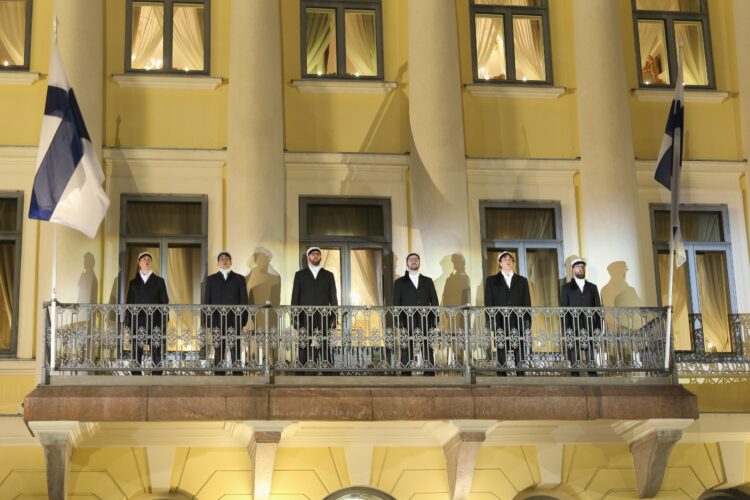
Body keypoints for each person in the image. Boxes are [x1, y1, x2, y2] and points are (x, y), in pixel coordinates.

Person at [291, 247, 338, 372]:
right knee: (303, 344)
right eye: (312, 254)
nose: (315, 256)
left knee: (325, 343)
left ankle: (328, 371)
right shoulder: (300, 275)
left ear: (320, 257)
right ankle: (301, 371)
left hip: (324, 316)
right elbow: (295, 297)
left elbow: (333, 297)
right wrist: (294, 317)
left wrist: (334, 316)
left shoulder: (328, 275)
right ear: (308, 257)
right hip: (304, 316)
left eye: (317, 254)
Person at [484, 251, 531, 375]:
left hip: (518, 319)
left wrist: (527, 321)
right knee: (501, 347)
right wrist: (490, 321)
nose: (507, 261)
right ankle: (501, 374)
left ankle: (521, 373)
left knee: (519, 346)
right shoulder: (491, 280)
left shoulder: (522, 280)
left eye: (510, 259)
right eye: (504, 259)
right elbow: (488, 302)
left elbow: (527, 302)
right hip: (500, 319)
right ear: (500, 263)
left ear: (513, 263)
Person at [392, 252, 440, 374]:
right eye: (411, 259)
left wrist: (435, 319)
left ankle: (429, 372)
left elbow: (434, 300)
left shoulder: (428, 281)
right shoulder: (399, 282)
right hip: (406, 319)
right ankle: (406, 373)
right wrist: (398, 320)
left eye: (416, 259)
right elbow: (396, 302)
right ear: (407, 263)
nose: (414, 261)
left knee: (427, 346)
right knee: (406, 347)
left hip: (425, 318)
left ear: (419, 263)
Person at [204, 251, 249, 373]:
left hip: (235, 319)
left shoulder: (240, 279)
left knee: (235, 346)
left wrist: (243, 319)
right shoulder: (211, 279)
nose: (224, 261)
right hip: (217, 319)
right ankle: (219, 374)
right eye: (222, 259)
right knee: (218, 347)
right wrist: (208, 320)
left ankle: (237, 373)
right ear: (218, 263)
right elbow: (207, 301)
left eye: (227, 259)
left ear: (231, 262)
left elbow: (244, 299)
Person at [126, 252, 169, 374]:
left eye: (149, 259)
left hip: (155, 320)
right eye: (144, 259)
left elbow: (165, 301)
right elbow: (129, 303)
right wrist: (129, 322)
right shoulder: (133, 283)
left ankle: (156, 375)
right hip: (138, 321)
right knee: (136, 348)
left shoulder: (159, 281)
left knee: (156, 348)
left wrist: (164, 320)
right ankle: (136, 374)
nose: (146, 261)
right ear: (139, 263)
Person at [560, 258, 602, 376]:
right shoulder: (566, 288)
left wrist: (598, 327)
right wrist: (566, 328)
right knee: (574, 356)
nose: (581, 268)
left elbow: (598, 308)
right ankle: (575, 376)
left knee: (591, 355)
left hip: (590, 326)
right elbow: (564, 309)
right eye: (578, 266)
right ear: (573, 269)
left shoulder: (592, 287)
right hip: (573, 326)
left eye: (582, 266)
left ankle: (593, 375)